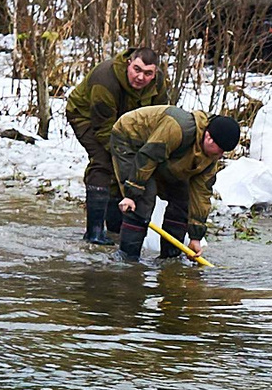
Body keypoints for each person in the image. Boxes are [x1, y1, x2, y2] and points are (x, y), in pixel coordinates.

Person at [65, 45, 171, 244]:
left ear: (155, 73)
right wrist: (126, 157)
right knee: (104, 162)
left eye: (148, 73)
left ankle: (115, 227)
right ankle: (94, 232)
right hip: (87, 116)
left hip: (127, 121)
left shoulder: (158, 84)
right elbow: (104, 130)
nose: (140, 77)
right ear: (129, 63)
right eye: (137, 70)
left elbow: (160, 118)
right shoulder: (105, 78)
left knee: (127, 166)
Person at [108, 104, 242, 262]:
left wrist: (195, 237)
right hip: (130, 140)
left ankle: (169, 258)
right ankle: (127, 257)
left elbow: (201, 195)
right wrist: (131, 194)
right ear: (208, 138)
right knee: (144, 196)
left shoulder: (210, 159)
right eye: (219, 150)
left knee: (182, 197)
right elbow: (148, 156)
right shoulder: (178, 128)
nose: (220, 156)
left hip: (161, 154)